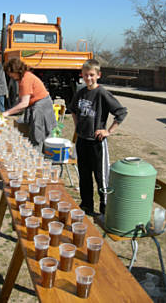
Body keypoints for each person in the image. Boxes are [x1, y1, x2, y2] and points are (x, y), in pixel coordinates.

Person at [69, 59, 127, 216]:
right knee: (84, 175)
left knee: (101, 177)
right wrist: (78, 126)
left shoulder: (102, 93)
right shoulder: (81, 93)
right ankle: (87, 205)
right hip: (82, 141)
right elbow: (73, 110)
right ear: (82, 75)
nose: (88, 78)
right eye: (86, 75)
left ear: (98, 75)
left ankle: (105, 208)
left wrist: (108, 131)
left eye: (92, 75)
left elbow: (121, 112)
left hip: (97, 143)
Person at [3, 58, 57, 152]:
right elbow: (22, 99)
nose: (9, 75)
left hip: (42, 106)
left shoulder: (26, 79)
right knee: (35, 133)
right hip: (37, 105)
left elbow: (24, 103)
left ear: (16, 70)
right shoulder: (22, 78)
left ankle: (38, 159)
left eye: (10, 73)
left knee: (38, 135)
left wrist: (7, 113)